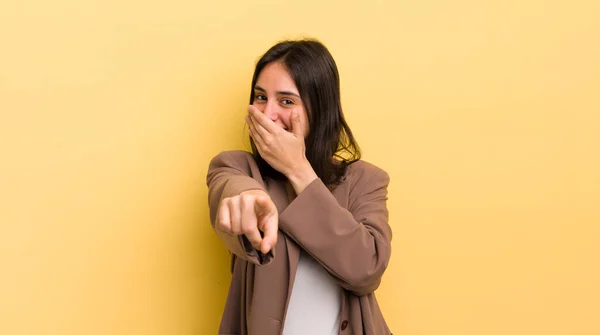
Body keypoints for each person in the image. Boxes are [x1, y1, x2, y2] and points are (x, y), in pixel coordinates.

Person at [206, 39, 393, 335]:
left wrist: (299, 170)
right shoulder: (239, 169)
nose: (267, 114)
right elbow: (230, 188)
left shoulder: (365, 180)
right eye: (260, 97)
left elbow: (366, 270)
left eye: (286, 101)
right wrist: (246, 197)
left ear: (318, 109)